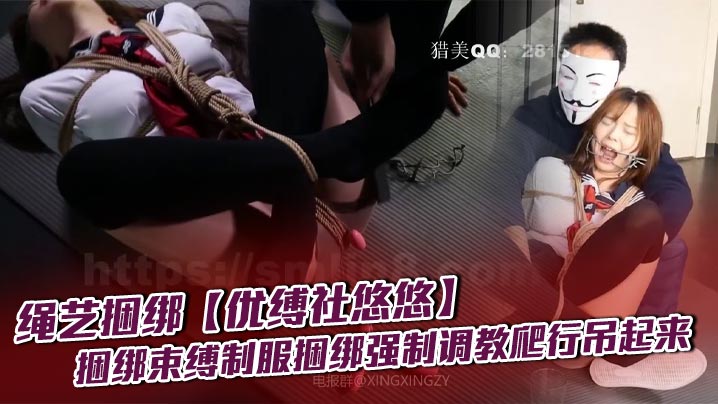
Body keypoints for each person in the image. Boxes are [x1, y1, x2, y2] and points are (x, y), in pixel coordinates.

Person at [0, 0, 452, 286]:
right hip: (251, 226)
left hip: (286, 155)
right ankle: (336, 151)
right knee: (79, 174)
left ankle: (314, 158)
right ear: (48, 55)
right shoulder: (44, 93)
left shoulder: (174, 17)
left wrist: (368, 35)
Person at [485, 23, 703, 389]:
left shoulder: (627, 127)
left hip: (601, 260)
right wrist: (516, 241)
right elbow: (500, 177)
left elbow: (675, 191)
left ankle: (614, 343)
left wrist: (645, 253)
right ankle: (580, 333)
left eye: (595, 78)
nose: (614, 135)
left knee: (670, 245)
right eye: (572, 73)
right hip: (542, 258)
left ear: (614, 83)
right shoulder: (536, 121)